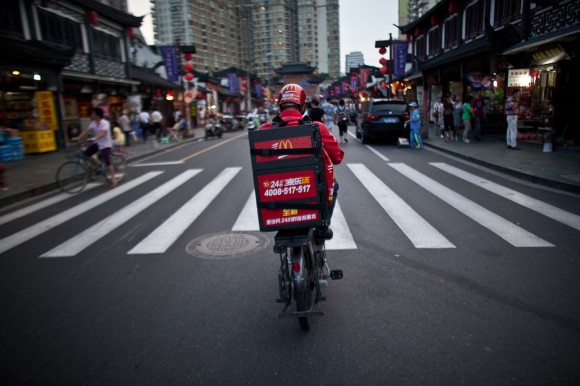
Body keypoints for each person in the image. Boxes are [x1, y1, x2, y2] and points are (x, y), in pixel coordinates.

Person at [259, 84, 344, 240]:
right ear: (303, 106)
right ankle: (322, 226)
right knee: (334, 185)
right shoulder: (318, 128)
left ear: (280, 106)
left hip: (278, 198)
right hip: (313, 195)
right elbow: (337, 158)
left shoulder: (263, 132)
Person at [72, 107, 117, 187]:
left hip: (106, 144)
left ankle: (113, 178)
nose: (91, 115)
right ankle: (97, 166)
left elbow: (103, 133)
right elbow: (87, 130)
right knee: (86, 154)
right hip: (98, 143)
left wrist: (94, 138)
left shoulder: (105, 123)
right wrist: (78, 137)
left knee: (107, 161)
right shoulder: (93, 123)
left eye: (93, 113)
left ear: (97, 115)